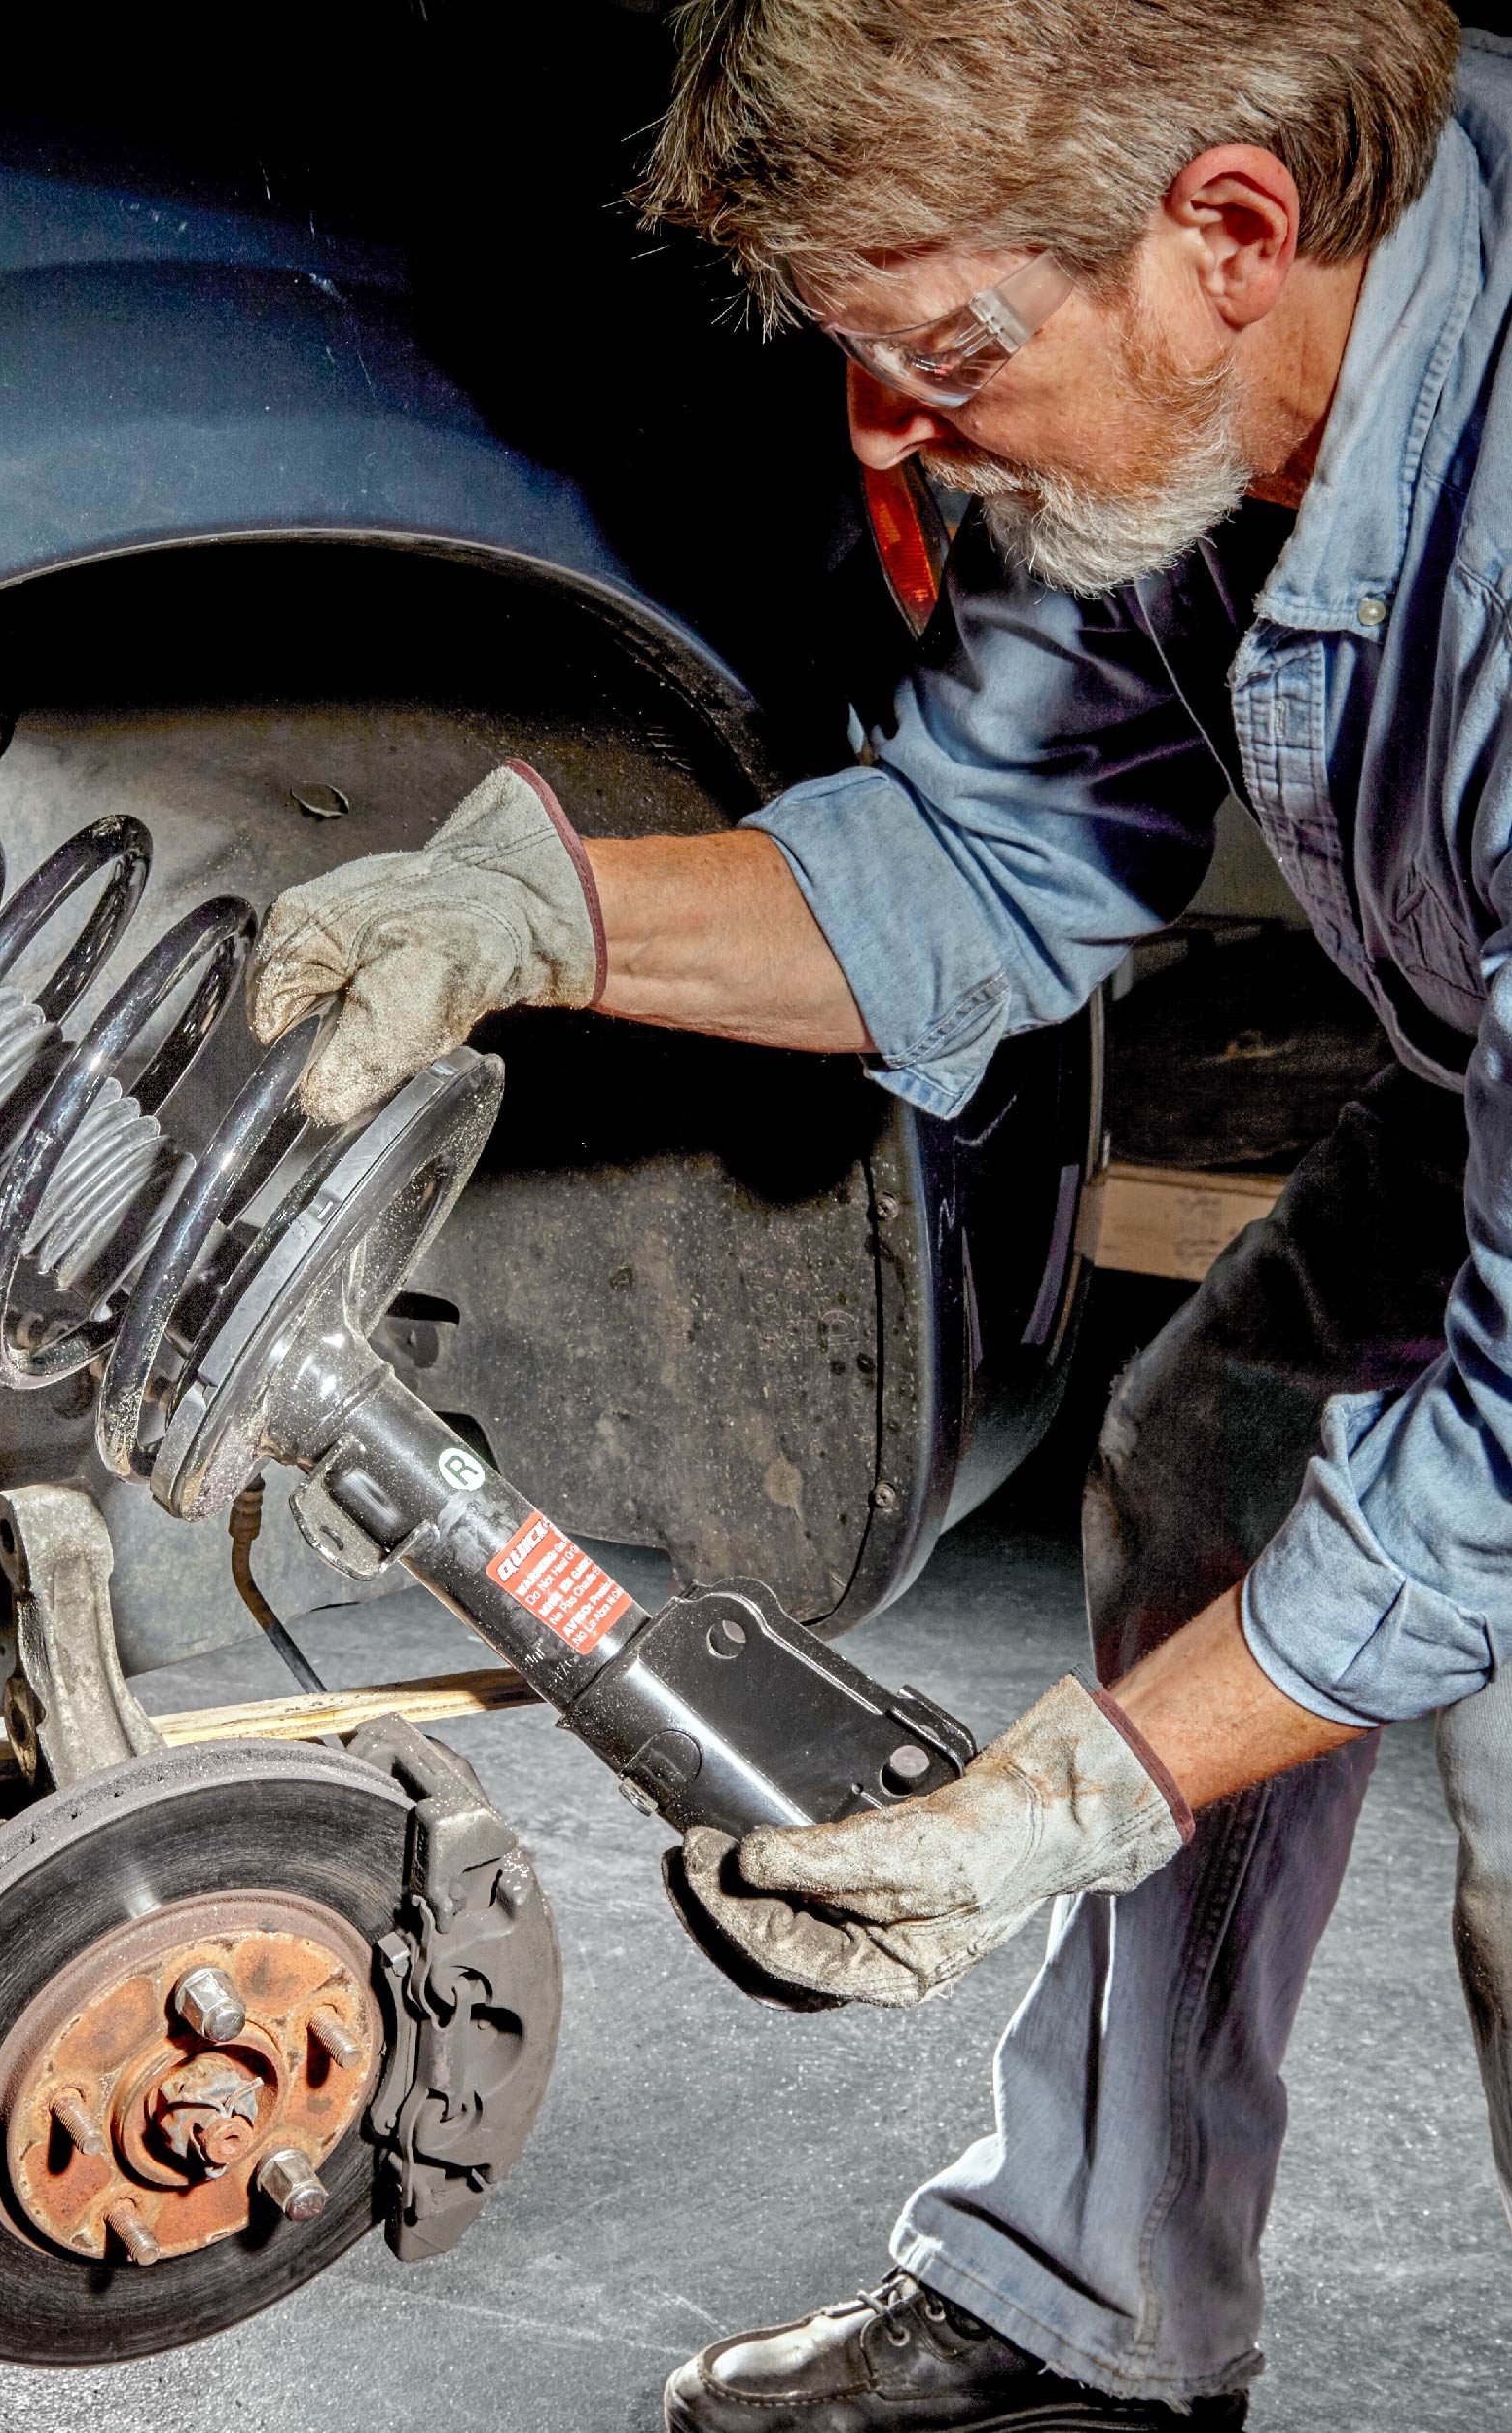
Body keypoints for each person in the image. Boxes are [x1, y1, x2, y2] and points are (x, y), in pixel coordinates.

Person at [244, 4, 1510, 2425]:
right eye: (855, 349)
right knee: (1217, 1452)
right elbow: (987, 844)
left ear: (1226, 231)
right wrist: (532, 917)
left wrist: (1091, 1786)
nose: (891, 435)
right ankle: (1092, 2315)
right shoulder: (1179, 370)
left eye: (940, 352)